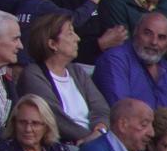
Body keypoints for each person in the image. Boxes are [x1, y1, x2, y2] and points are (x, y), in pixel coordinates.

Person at [16, 13, 108, 143]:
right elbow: (54, 118)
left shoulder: (77, 72)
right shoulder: (33, 74)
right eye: (70, 33)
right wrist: (91, 139)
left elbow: (101, 108)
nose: (77, 38)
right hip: (64, 145)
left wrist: (99, 130)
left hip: (95, 139)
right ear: (53, 44)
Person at [96, 10, 167, 111]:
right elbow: (122, 111)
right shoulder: (115, 60)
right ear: (135, 32)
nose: (154, 42)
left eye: (161, 37)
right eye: (148, 33)